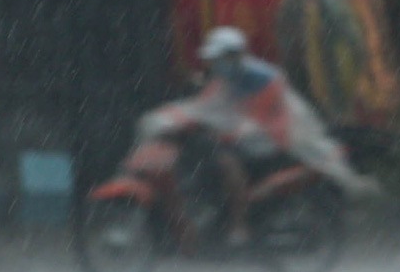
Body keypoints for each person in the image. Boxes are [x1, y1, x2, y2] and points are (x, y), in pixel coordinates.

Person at [145, 26, 371, 246]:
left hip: (269, 137)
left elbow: (255, 117)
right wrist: (174, 117)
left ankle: (238, 225)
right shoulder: (229, 76)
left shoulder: (262, 78)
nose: (215, 64)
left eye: (219, 58)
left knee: (226, 162)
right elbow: (206, 105)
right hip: (250, 134)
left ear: (235, 55)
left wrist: (224, 129)